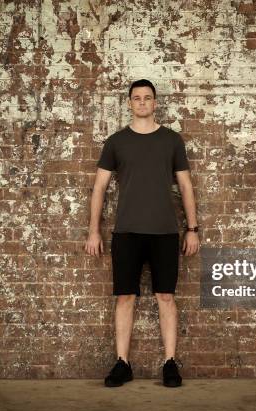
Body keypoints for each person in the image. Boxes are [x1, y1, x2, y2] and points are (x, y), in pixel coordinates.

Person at [84, 79, 200, 388]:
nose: (142, 102)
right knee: (125, 297)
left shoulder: (172, 140)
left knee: (166, 296)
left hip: (164, 233)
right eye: (137, 98)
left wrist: (192, 229)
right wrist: (93, 231)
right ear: (129, 103)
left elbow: (186, 186)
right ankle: (123, 363)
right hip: (127, 233)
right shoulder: (116, 142)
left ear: (155, 102)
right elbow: (99, 188)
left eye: (148, 98)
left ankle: (170, 363)